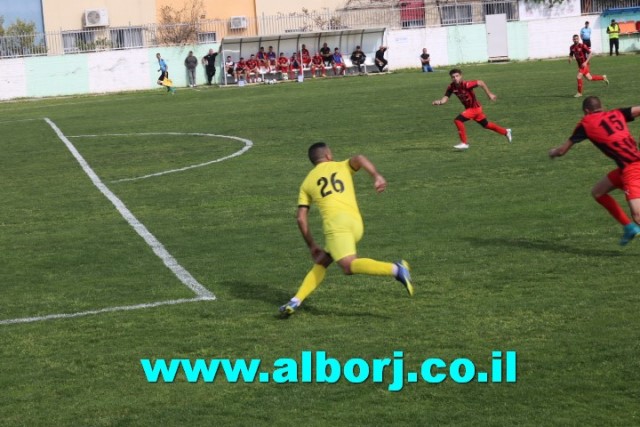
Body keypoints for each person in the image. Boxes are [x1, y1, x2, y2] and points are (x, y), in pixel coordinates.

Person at [279, 142, 414, 317]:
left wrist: (312, 245)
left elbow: (300, 217)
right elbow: (359, 158)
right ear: (328, 155)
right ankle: (296, 301)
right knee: (323, 261)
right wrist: (376, 176)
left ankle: (396, 269)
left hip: (337, 227)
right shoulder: (342, 165)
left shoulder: (307, 183)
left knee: (348, 266)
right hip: (356, 224)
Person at [548, 96, 640, 245]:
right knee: (598, 192)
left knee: (638, 216)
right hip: (627, 168)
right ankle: (629, 227)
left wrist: (552, 152)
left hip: (633, 169)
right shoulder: (617, 113)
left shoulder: (585, 124)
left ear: (586, 111)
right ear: (601, 106)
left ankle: (632, 225)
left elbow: (561, 151)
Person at [432, 68, 511, 150]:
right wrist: (440, 102)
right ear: (451, 78)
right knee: (486, 125)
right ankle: (505, 132)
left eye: (457, 76)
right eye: (453, 77)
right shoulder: (451, 87)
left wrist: (489, 94)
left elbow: (481, 82)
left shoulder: (466, 84)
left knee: (458, 120)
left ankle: (464, 143)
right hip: (472, 109)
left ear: (461, 76)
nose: (455, 78)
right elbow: (446, 98)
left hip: (475, 109)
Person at [569, 34, 608, 98]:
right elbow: (571, 54)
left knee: (578, 77)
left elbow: (590, 53)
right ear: (572, 39)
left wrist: (585, 62)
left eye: (577, 39)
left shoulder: (582, 46)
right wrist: (570, 59)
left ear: (579, 39)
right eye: (574, 39)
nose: (575, 40)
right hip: (580, 65)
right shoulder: (572, 47)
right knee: (589, 78)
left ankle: (579, 93)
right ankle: (603, 77)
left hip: (585, 65)